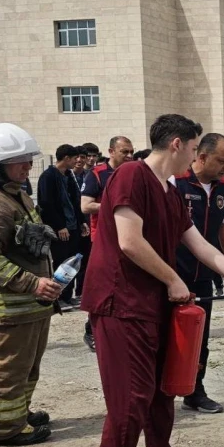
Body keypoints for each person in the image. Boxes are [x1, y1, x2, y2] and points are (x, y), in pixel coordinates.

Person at [81, 114, 224, 447]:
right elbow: (129, 241)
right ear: (177, 144)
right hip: (121, 305)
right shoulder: (132, 176)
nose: (195, 157)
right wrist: (172, 279)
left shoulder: (167, 192)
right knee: (131, 402)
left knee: (161, 393)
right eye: (193, 148)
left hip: (152, 307)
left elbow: (201, 245)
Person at [0, 123, 63, 446]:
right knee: (9, 370)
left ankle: (19, 413)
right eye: (19, 160)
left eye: (28, 158)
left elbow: (19, 239)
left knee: (27, 368)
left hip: (31, 305)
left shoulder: (16, 194)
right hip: (10, 307)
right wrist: (33, 284)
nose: (28, 165)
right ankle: (5, 430)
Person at [171, 132, 224, 415]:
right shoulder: (175, 182)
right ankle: (160, 391)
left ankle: (194, 390)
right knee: (166, 334)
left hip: (203, 277)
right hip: (172, 274)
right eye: (222, 161)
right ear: (201, 156)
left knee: (200, 336)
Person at [80, 135, 134, 352]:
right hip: (103, 238)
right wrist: (115, 206)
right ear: (111, 152)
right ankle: (92, 330)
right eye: (124, 152)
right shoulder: (97, 174)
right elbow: (85, 206)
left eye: (131, 151)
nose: (129, 156)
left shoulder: (134, 173)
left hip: (130, 236)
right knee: (104, 286)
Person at [37, 144, 89, 310]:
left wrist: (81, 222)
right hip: (59, 229)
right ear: (66, 158)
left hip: (72, 227)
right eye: (75, 158)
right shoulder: (48, 177)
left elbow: (76, 201)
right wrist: (59, 226)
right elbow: (46, 204)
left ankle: (67, 296)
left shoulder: (69, 175)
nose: (77, 161)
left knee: (71, 263)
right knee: (60, 263)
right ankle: (57, 298)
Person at [75, 143, 99, 302]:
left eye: (92, 156)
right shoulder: (72, 176)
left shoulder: (91, 174)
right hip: (78, 223)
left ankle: (83, 290)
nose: (90, 159)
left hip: (89, 224)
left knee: (89, 260)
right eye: (86, 156)